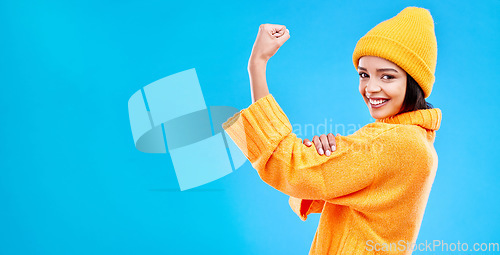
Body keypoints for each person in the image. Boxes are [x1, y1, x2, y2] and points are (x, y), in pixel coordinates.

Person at [222, 6, 441, 255]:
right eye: (364, 74)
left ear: (413, 81)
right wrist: (324, 160)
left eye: (387, 77)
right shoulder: (418, 142)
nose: (371, 87)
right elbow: (320, 189)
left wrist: (257, 65)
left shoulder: (394, 143)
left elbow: (289, 165)